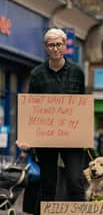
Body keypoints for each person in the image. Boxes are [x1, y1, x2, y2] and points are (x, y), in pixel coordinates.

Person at [19, 28, 86, 202]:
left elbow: (82, 105)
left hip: (71, 136)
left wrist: (84, 135)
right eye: (51, 45)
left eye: (58, 44)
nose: (55, 48)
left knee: (75, 180)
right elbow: (30, 107)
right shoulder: (36, 75)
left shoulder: (77, 73)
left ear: (65, 46)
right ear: (46, 48)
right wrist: (26, 137)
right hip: (45, 136)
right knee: (48, 182)